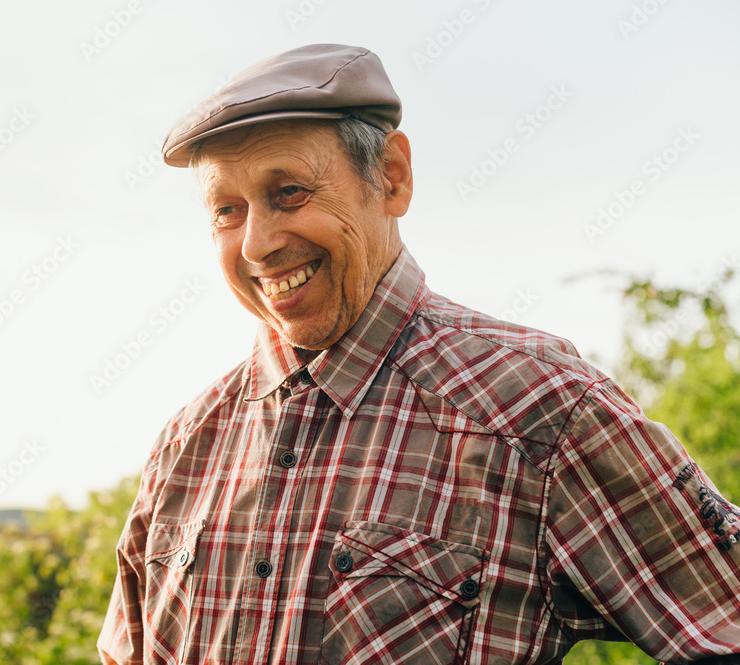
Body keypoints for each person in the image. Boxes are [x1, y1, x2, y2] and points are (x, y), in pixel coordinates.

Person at [98, 44, 740, 664]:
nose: (257, 245)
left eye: (288, 191)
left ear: (393, 178)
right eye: (226, 211)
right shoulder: (186, 444)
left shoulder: (542, 410)